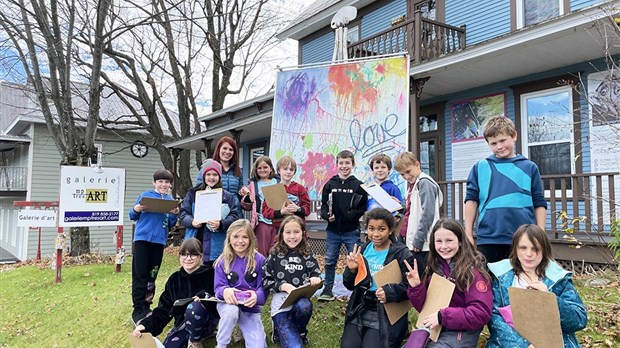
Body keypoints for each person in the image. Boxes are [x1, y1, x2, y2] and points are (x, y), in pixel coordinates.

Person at [486, 224, 587, 348]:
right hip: (510, 344)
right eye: (523, 248)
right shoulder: (501, 276)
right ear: (515, 249)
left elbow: (579, 320)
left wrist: (550, 299)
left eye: (535, 249)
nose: (529, 254)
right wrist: (523, 345)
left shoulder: (558, 278)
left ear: (544, 250)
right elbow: (494, 318)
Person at [464, 115, 547, 263]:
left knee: (521, 283)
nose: (499, 147)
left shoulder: (529, 167)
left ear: (514, 136)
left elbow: (539, 202)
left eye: (503, 140)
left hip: (524, 238)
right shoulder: (480, 167)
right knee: (489, 282)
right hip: (489, 238)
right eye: (493, 143)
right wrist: (468, 232)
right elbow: (471, 200)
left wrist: (540, 233)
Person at [405, 218, 492, 347]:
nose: (444, 247)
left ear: (460, 241)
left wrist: (443, 316)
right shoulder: (434, 268)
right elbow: (425, 310)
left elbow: (481, 312)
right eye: (439, 241)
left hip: (461, 333)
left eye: (449, 241)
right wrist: (417, 287)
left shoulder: (473, 272)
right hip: (434, 330)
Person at [341, 208, 413, 348]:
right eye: (371, 228)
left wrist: (390, 292)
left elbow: (410, 287)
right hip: (361, 307)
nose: (376, 234)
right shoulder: (363, 249)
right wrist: (351, 270)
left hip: (384, 311)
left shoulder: (401, 253)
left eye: (381, 229)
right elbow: (349, 285)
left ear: (390, 230)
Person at [132, 238, 218, 348]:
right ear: (179, 257)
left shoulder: (210, 274)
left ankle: (195, 343)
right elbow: (163, 310)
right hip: (182, 326)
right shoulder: (174, 280)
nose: (188, 258)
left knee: (194, 307)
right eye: (184, 255)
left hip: (206, 323)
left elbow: (218, 300)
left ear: (200, 256)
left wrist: (204, 299)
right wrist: (145, 326)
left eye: (193, 255)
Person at [262, 215, 322, 347]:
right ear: (282, 233)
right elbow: (265, 280)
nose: (292, 236)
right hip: (281, 306)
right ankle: (278, 329)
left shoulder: (307, 253)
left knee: (305, 305)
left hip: (300, 302)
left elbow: (316, 273)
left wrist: (315, 279)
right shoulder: (275, 253)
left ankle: (300, 331)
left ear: (303, 233)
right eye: (288, 232)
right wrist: (283, 286)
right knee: (295, 346)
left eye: (296, 232)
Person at [129, 169, 179, 325]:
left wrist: (175, 214)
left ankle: (147, 305)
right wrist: (136, 209)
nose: (163, 184)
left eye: (166, 182)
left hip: (159, 241)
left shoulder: (171, 200)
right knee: (140, 274)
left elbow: (170, 225)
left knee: (152, 274)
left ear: (170, 185)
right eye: (160, 181)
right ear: (154, 183)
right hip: (142, 239)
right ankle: (138, 309)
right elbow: (132, 215)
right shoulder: (146, 195)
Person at [318, 150, 368, 301]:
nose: (344, 166)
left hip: (351, 231)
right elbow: (324, 207)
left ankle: (358, 288)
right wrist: (327, 216)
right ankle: (327, 289)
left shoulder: (359, 185)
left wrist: (350, 216)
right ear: (337, 165)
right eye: (341, 163)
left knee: (356, 260)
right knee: (329, 260)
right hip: (333, 231)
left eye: (347, 163)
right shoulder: (330, 184)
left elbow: (362, 207)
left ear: (353, 164)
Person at [213, 219, 267, 348]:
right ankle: (221, 344)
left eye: (245, 237)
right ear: (229, 238)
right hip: (228, 305)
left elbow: (263, 289)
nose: (240, 241)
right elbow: (218, 288)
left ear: (251, 239)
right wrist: (225, 291)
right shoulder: (222, 262)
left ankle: (244, 329)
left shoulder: (260, 260)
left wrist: (256, 296)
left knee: (258, 346)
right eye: (236, 236)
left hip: (250, 308)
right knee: (231, 312)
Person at [180, 159, 240, 265]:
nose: (211, 177)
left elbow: (234, 216)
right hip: (195, 241)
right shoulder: (193, 193)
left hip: (216, 245)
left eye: (214, 174)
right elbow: (183, 214)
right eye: (208, 174)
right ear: (203, 176)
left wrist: (221, 224)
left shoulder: (227, 196)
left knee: (214, 274)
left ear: (219, 177)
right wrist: (192, 222)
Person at [394, 151, 442, 278]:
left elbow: (428, 213)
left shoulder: (424, 183)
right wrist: (399, 206)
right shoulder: (413, 184)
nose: (407, 176)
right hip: (414, 240)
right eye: (402, 174)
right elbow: (413, 211)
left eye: (408, 171)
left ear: (417, 164)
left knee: (423, 278)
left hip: (422, 242)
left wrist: (419, 239)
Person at [239, 156, 279, 256]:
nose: (262, 170)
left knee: (276, 248)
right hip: (262, 221)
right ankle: (262, 269)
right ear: (256, 170)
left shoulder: (278, 181)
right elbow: (246, 206)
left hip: (278, 220)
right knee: (262, 250)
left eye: (265, 167)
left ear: (271, 169)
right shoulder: (253, 185)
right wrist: (247, 197)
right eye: (259, 168)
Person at [197, 136, 244, 217]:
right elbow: (199, 190)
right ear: (218, 149)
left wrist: (243, 190)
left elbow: (239, 188)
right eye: (224, 148)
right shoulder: (207, 168)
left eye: (231, 149)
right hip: (215, 212)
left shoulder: (238, 170)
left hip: (235, 213)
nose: (227, 151)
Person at [261, 156, 311, 231]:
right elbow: (265, 211)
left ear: (294, 172)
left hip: (298, 227)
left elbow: (307, 207)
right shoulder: (273, 190)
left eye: (291, 169)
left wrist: (298, 209)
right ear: (278, 171)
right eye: (285, 169)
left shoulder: (300, 188)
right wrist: (281, 212)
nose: (288, 172)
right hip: (280, 228)